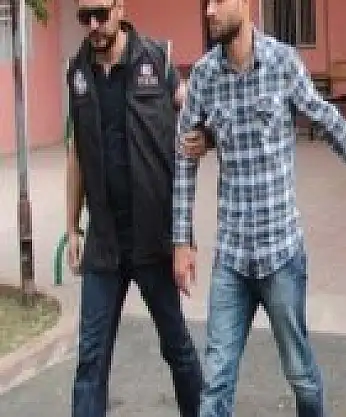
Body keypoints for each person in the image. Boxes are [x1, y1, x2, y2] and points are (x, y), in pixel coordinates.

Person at [172, 1, 346, 416]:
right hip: (231, 257)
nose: (209, 11)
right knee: (215, 381)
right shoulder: (203, 75)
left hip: (280, 255)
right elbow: (184, 156)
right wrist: (182, 239)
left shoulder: (282, 62)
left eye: (219, 1)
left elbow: (325, 118)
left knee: (300, 375)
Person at [65, 1, 204, 416]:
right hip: (104, 241)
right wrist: (72, 228)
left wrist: (183, 238)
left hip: (152, 239)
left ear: (119, 7)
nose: (93, 25)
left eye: (100, 13)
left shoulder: (157, 59)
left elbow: (194, 117)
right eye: (84, 17)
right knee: (91, 359)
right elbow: (76, 154)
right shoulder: (77, 72)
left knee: (177, 347)